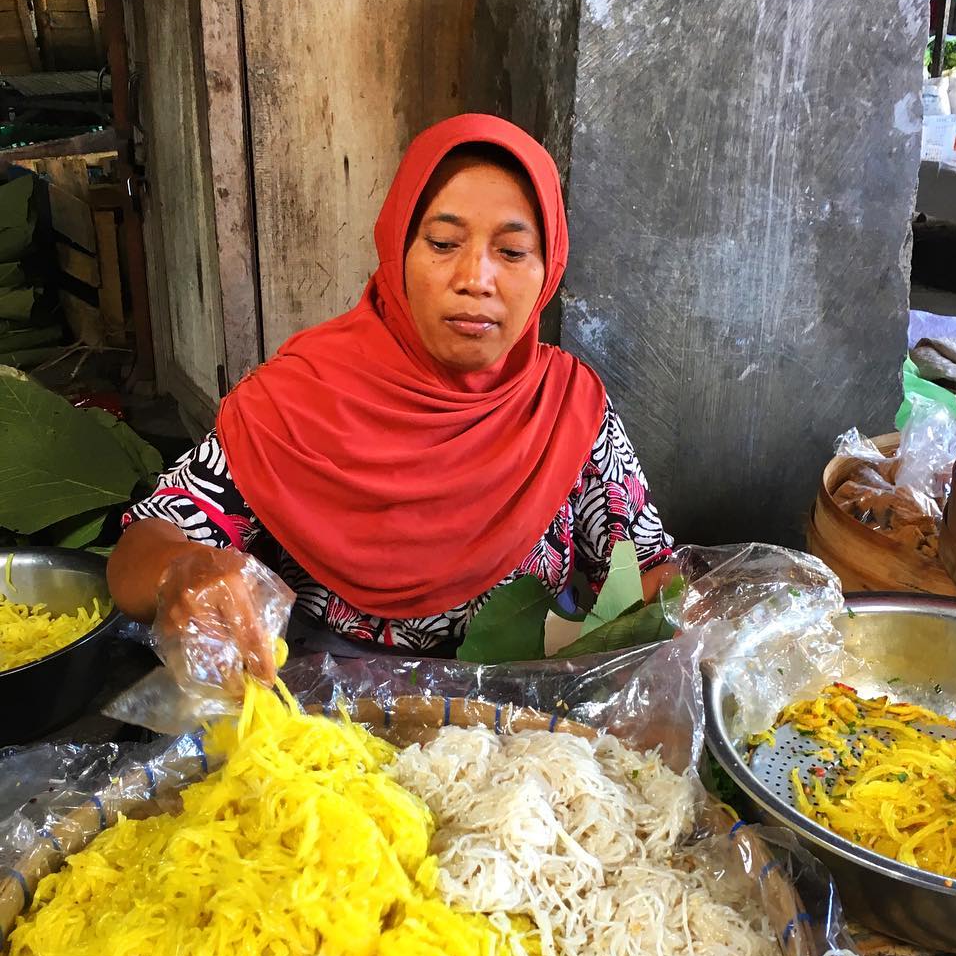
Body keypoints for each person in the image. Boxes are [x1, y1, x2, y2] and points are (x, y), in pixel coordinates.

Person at [107, 115, 673, 672]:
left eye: (512, 251)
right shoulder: (296, 399)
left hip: (520, 737)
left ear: (548, 268)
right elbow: (148, 540)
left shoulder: (567, 408)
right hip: (324, 730)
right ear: (398, 248)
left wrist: (722, 624)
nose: (476, 278)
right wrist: (179, 571)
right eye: (445, 242)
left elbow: (648, 570)